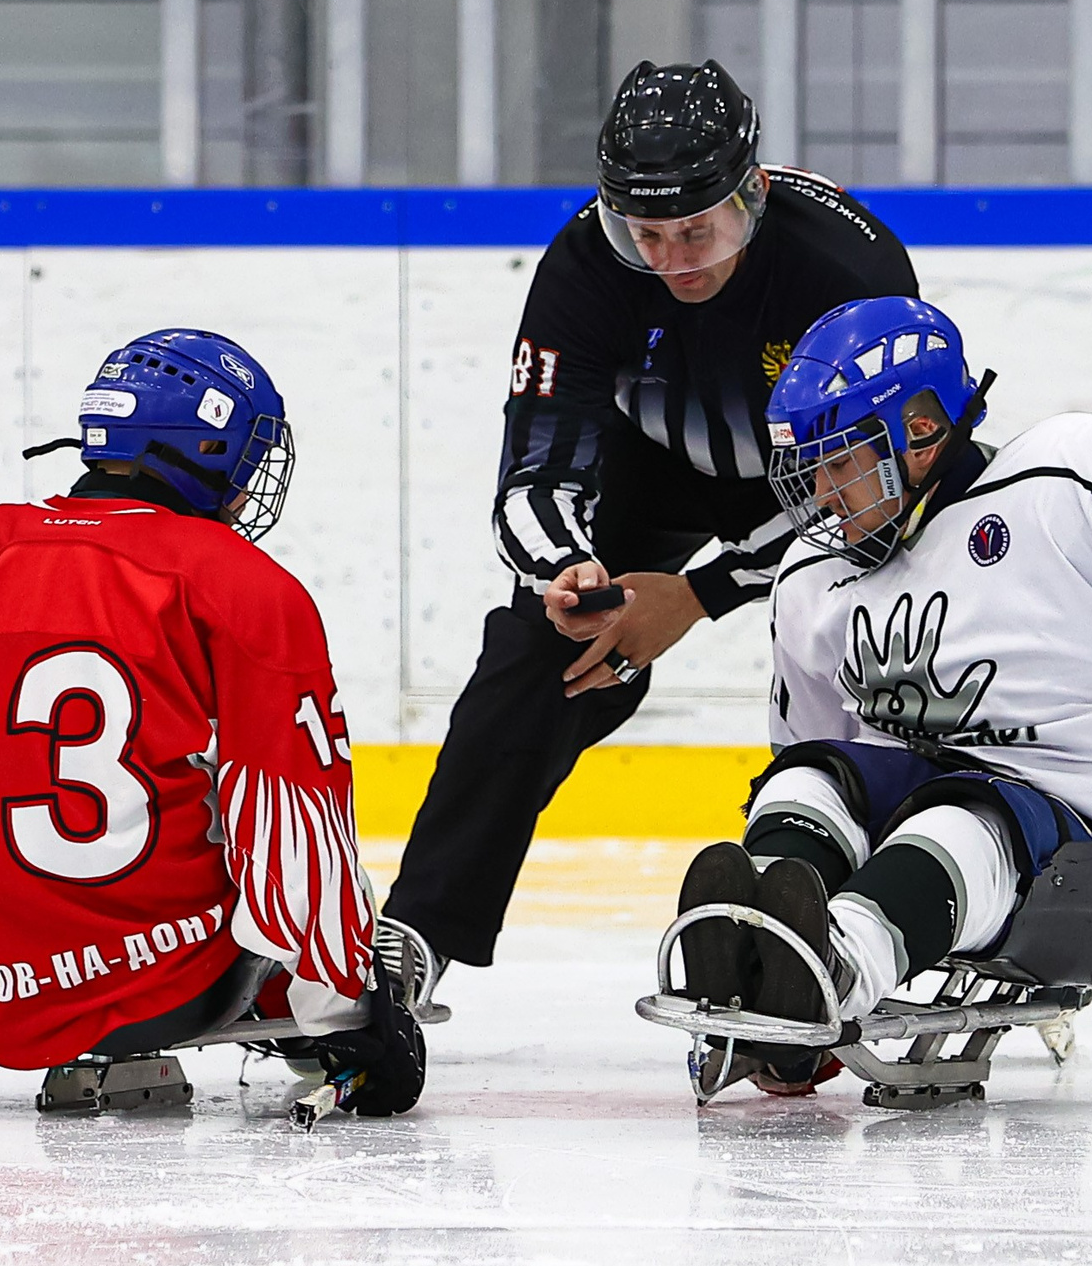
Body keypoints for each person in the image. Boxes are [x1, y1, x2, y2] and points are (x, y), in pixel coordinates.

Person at [664, 295, 1092, 1092]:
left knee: (958, 816)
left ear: (920, 430)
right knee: (806, 780)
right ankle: (760, 968)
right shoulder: (811, 574)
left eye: (839, 462)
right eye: (809, 469)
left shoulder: (1060, 482)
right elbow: (815, 749)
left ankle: (832, 973)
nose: (822, 495)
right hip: (929, 820)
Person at [376, 60, 918, 1016]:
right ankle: (418, 932)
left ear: (752, 194)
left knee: (885, 645)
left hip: (829, 472)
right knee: (539, 651)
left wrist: (700, 594)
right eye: (646, 235)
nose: (672, 260)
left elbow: (883, 483)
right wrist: (568, 572)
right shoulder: (583, 266)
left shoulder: (848, 268)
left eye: (697, 230)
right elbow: (533, 474)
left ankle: (885, 923)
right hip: (651, 467)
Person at [0, 329, 422, 1116]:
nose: (250, 483)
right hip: (170, 989)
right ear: (210, 448)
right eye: (249, 457)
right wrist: (351, 1019)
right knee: (319, 871)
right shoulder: (240, 583)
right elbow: (295, 837)